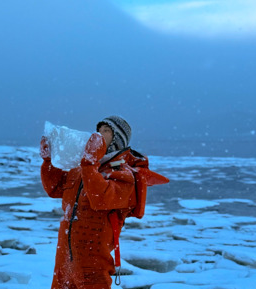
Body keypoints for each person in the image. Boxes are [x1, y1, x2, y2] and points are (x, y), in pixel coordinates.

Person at [40, 116, 169, 289]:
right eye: (99, 130)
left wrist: (89, 163)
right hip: (65, 255)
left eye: (106, 131)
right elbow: (54, 188)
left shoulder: (124, 174)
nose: (99, 135)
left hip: (92, 260)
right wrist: (49, 161)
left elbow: (99, 198)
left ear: (118, 139)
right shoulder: (83, 167)